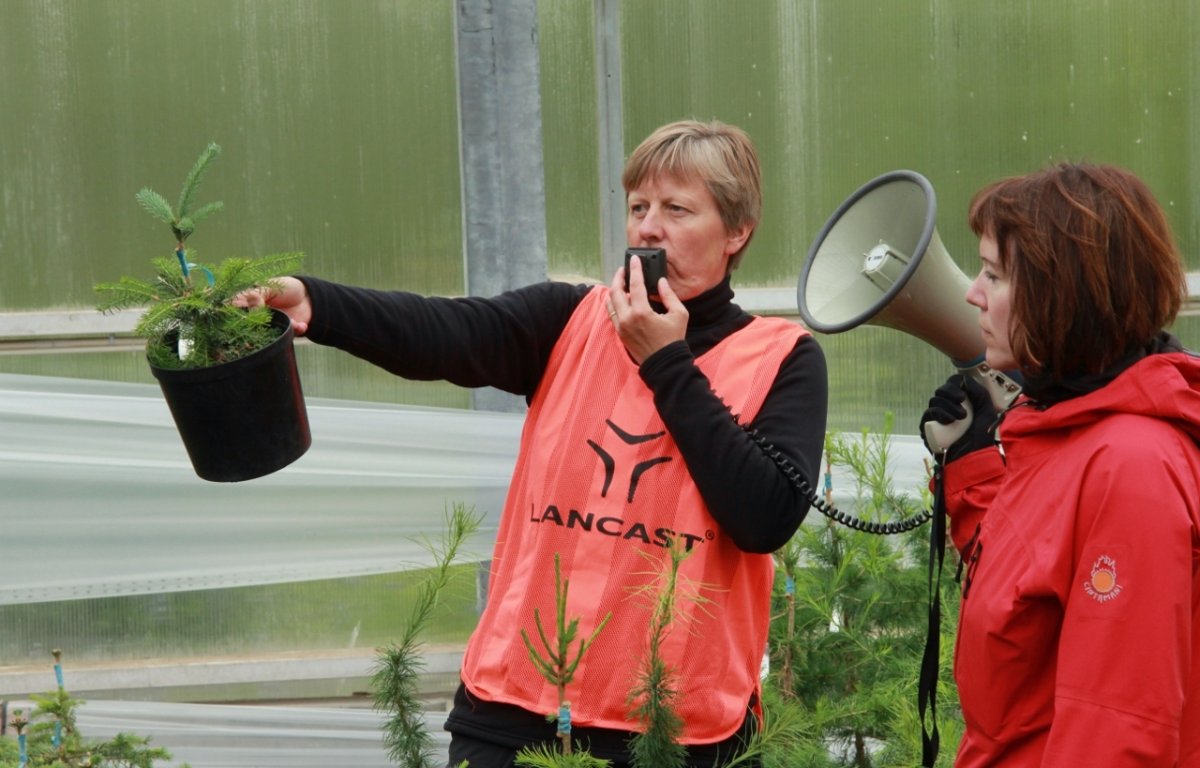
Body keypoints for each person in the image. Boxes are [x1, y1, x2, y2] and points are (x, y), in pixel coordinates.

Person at [247, 119, 828, 766]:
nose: (648, 228)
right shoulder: (569, 318)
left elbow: (764, 516)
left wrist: (666, 363)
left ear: (737, 231)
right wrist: (317, 306)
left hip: (675, 735)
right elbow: (445, 331)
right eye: (638, 207)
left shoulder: (782, 357)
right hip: (512, 712)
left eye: (677, 209)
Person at [919, 162, 1200, 766]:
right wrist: (973, 469)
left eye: (994, 275)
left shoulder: (1131, 468)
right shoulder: (1066, 429)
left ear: (1064, 295)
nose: (972, 293)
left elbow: (1117, 732)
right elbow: (1030, 601)